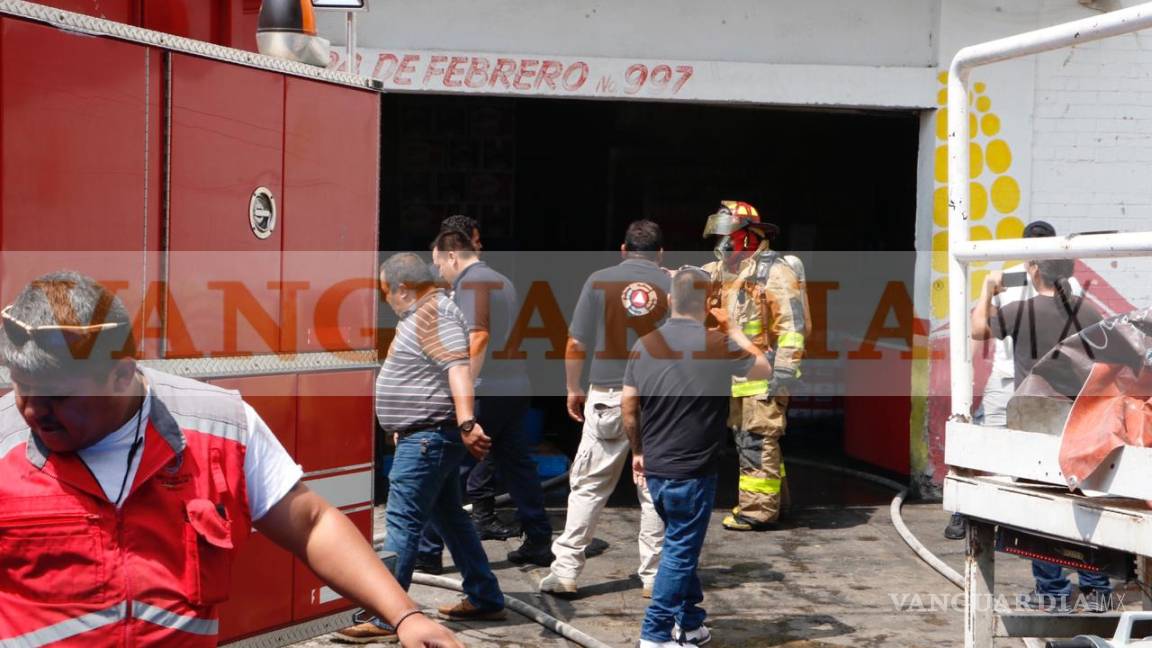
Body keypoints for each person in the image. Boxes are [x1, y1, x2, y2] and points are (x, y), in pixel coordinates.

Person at [0, 271, 462, 647]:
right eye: (21, 385)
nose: (34, 410)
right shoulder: (4, 441)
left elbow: (311, 522)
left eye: (58, 395)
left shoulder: (218, 426)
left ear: (123, 375)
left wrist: (405, 616)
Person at [336, 253, 506, 643]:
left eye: (385, 292)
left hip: (428, 439)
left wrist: (465, 422)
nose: (386, 300)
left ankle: (384, 616)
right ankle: (484, 594)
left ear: (402, 288)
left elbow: (457, 367)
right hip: (424, 435)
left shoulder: (433, 314)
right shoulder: (427, 313)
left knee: (402, 524)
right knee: (451, 519)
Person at [623, 267, 772, 648]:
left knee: (678, 543)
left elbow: (628, 406)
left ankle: (690, 624)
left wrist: (638, 450)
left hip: (656, 467)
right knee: (679, 552)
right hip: (693, 471)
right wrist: (733, 327)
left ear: (671, 300)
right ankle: (655, 635)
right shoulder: (718, 343)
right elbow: (765, 367)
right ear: (709, 304)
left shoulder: (643, 344)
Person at [971, 256, 1113, 613]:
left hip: (1036, 419)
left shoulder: (1021, 310)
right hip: (1081, 421)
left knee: (1041, 505)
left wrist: (988, 290)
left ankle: (1052, 589)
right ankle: (1096, 589)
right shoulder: (1088, 312)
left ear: (1034, 270)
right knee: (1083, 502)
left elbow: (977, 330)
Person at [539, 220, 669, 597]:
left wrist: (572, 388)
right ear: (660, 253)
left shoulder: (599, 281)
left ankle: (565, 572)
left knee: (588, 486)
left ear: (624, 250)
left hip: (608, 395)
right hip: (657, 400)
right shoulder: (672, 285)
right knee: (652, 489)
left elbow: (576, 342)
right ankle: (655, 577)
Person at [422, 228, 554, 567]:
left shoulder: (471, 282)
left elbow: (478, 337)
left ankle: (426, 550)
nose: (439, 271)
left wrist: (463, 385)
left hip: (486, 390)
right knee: (518, 466)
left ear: (452, 255)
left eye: (439, 264)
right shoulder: (501, 280)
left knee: (440, 463)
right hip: (513, 388)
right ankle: (538, 539)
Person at [944, 219, 1081, 540]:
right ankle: (965, 512)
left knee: (1024, 453)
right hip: (1014, 381)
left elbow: (980, 327)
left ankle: (1014, 519)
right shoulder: (1013, 277)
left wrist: (987, 291)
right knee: (986, 445)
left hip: (1034, 385)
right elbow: (982, 327)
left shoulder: (1048, 283)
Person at [702, 200, 810, 532]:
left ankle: (757, 511)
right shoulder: (724, 269)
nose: (721, 244)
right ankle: (779, 503)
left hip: (764, 375)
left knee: (756, 441)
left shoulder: (774, 271)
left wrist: (782, 372)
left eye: (728, 236)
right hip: (737, 375)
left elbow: (793, 327)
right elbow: (694, 279)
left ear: (748, 237)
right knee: (755, 440)